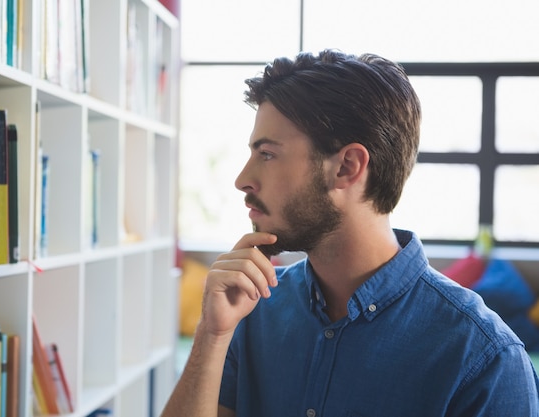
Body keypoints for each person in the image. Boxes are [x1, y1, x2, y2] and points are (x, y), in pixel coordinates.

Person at [161, 49, 539, 416]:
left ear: (347, 167)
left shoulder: (485, 360)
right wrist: (211, 336)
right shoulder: (251, 311)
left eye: (268, 154)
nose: (242, 180)